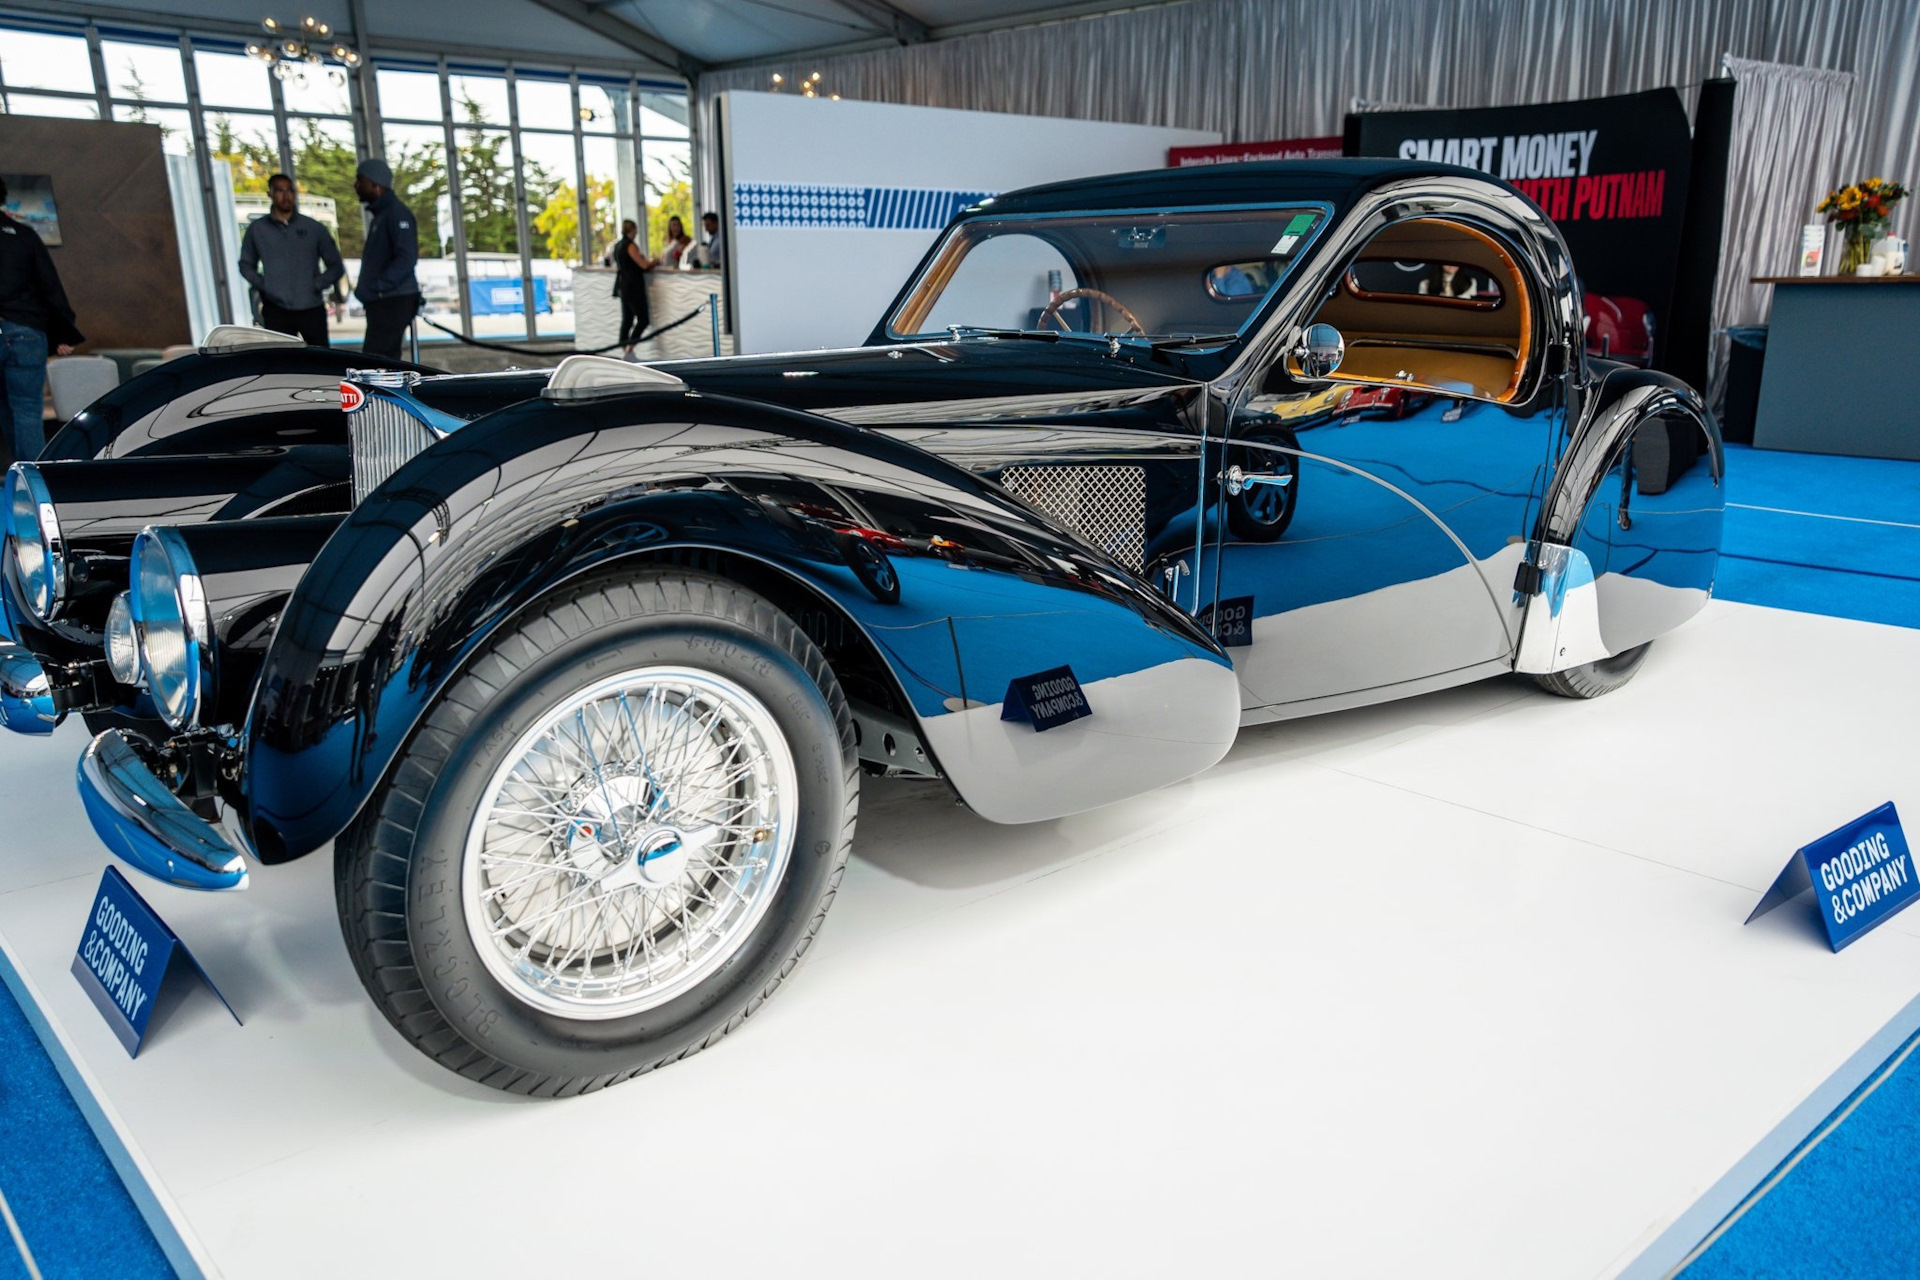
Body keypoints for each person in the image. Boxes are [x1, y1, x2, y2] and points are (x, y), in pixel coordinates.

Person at [0, 177, 83, 462]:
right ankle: (32, 478)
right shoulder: (25, 235)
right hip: (27, 332)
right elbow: (50, 286)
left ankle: (16, 474)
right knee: (26, 410)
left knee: (5, 409)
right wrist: (63, 333)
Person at [238, 172, 346, 347]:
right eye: (279, 190)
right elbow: (245, 264)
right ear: (270, 194)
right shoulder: (257, 230)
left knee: (320, 357)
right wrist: (266, 285)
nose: (286, 196)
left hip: (311, 307)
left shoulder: (313, 228)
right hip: (276, 308)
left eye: (289, 190)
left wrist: (316, 285)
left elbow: (336, 265)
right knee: (283, 359)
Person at [352, 157, 421, 360]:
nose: (356, 186)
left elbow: (407, 258)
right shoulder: (382, 215)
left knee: (378, 363)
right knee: (380, 360)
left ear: (375, 184)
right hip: (384, 301)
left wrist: (378, 288)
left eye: (360, 180)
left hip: (392, 301)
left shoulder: (396, 213)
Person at [612, 219, 656, 360]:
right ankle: (629, 349)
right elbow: (643, 265)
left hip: (623, 286)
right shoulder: (630, 246)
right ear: (633, 230)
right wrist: (654, 262)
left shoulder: (617, 245)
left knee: (627, 319)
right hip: (633, 286)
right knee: (643, 319)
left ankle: (625, 348)